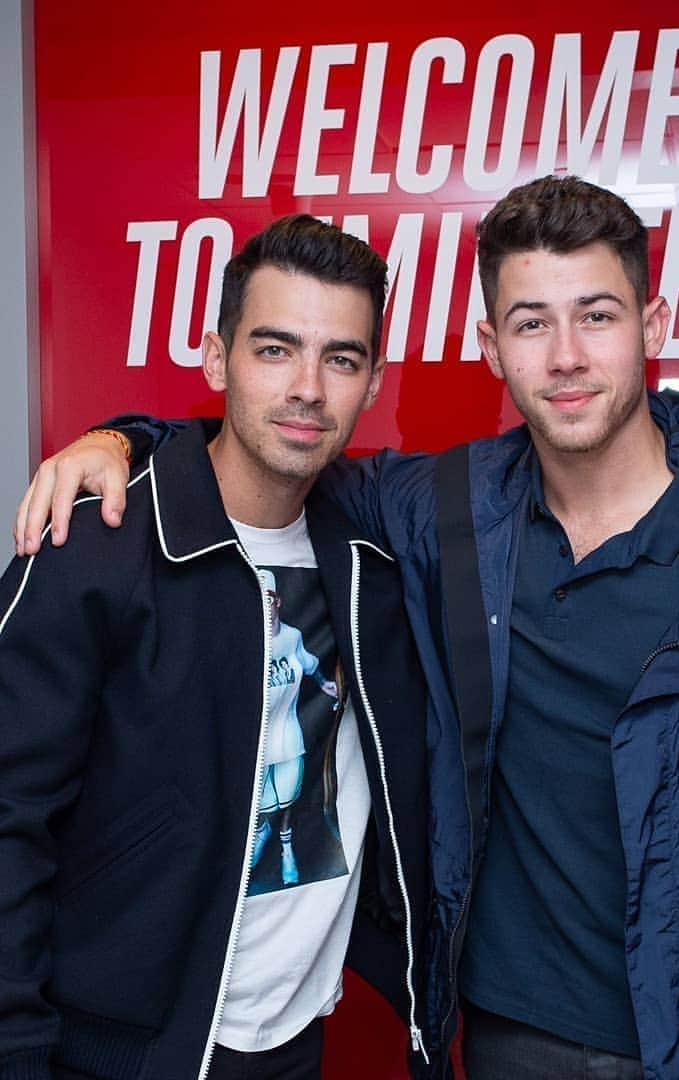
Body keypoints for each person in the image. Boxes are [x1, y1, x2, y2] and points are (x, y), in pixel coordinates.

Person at [17, 176, 679, 1080]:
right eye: (530, 323)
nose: (565, 356)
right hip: (498, 1034)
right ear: (492, 346)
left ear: (656, 323)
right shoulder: (442, 515)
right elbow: (270, 444)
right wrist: (121, 442)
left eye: (596, 316)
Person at [0, 215, 435, 1080]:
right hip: (115, 1053)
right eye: (274, 349)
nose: (307, 387)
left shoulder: (377, 552)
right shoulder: (96, 546)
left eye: (340, 359)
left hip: (291, 1040)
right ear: (216, 358)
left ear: (373, 381)